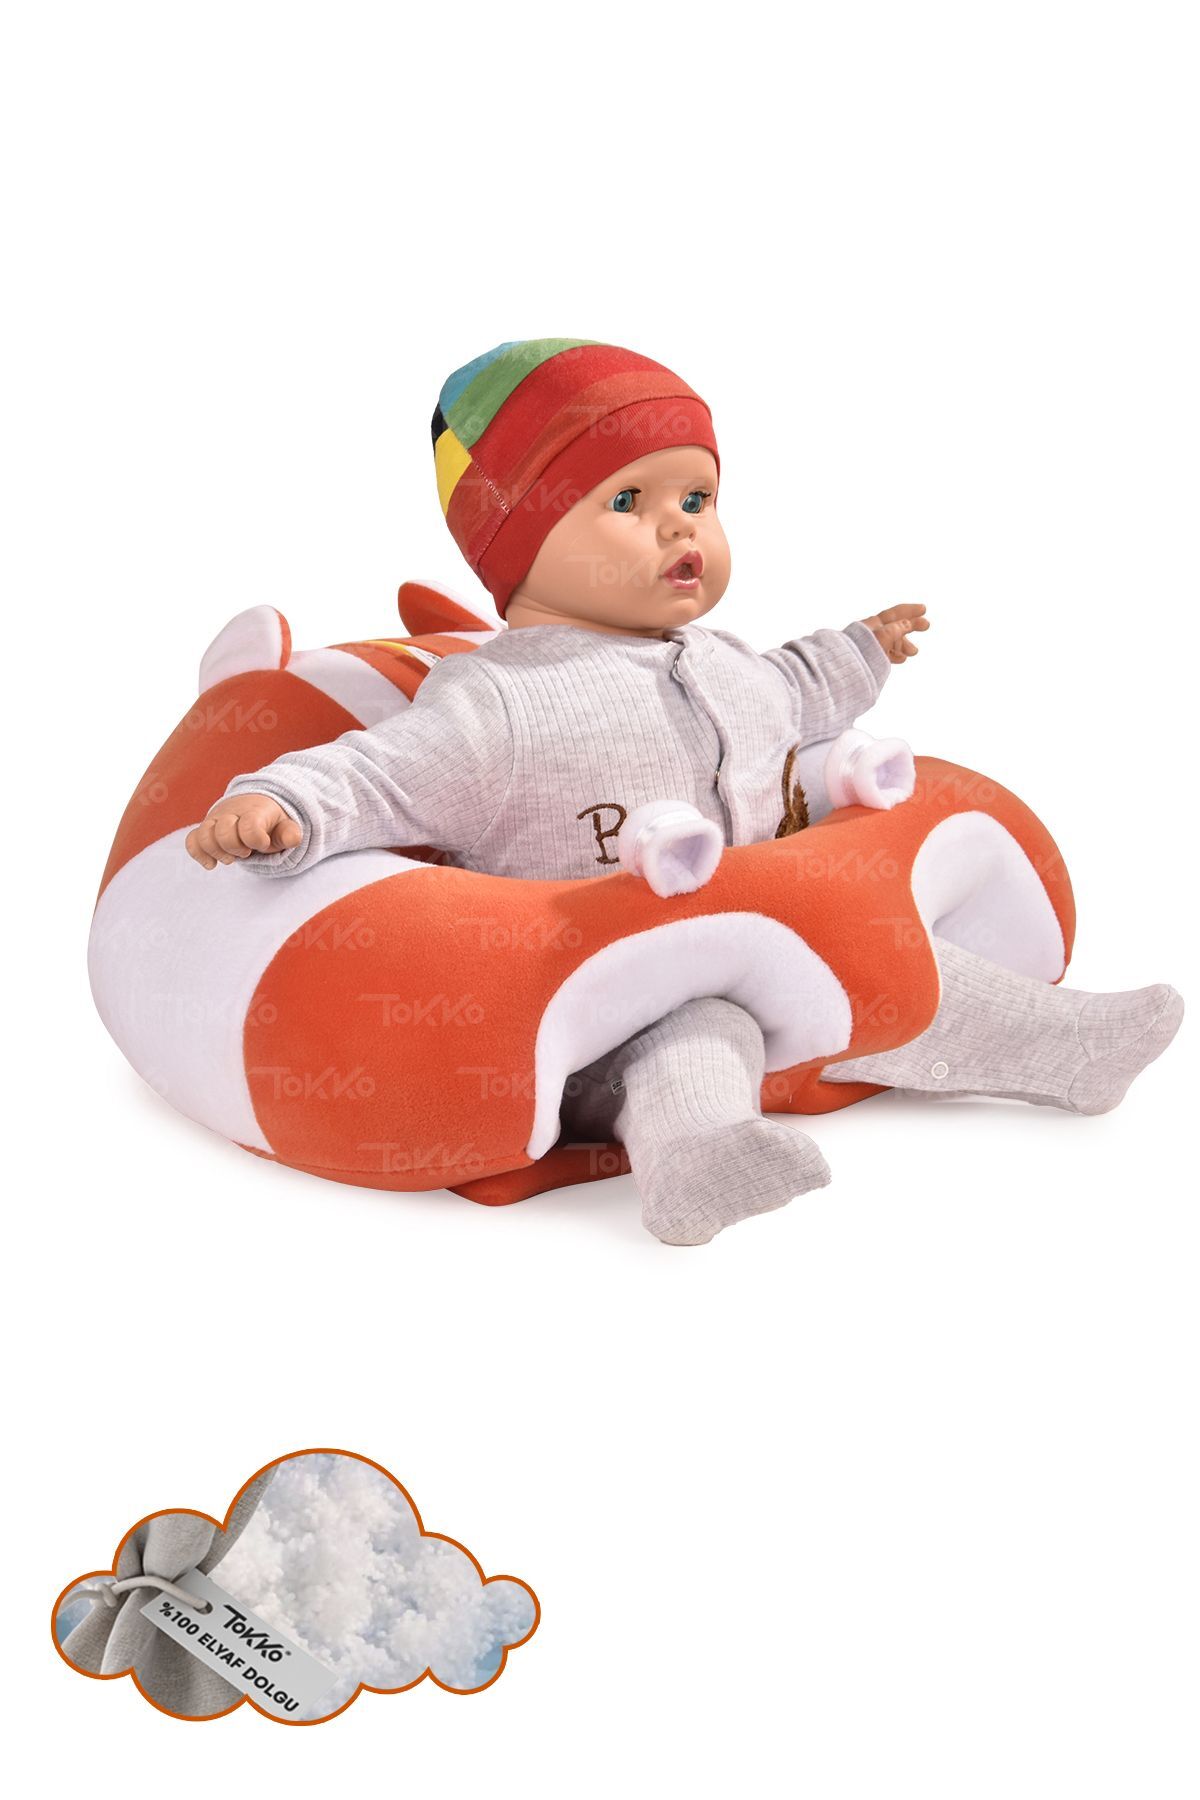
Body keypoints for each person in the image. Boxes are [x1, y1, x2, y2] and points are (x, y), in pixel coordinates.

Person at [186, 340, 1182, 1245]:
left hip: (780, 944)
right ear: (522, 545)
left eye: (697, 498)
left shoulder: (722, 660)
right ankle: (695, 1159)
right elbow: (379, 771)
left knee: (888, 968)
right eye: (627, 502)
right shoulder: (499, 705)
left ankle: (1069, 1048)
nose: (678, 524)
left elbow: (796, 688)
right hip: (610, 1003)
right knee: (699, 1035)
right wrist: (282, 807)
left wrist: (862, 650)